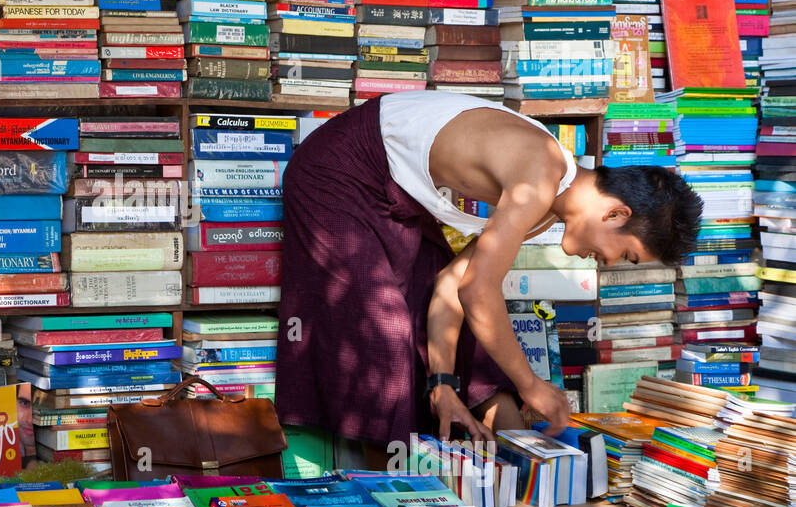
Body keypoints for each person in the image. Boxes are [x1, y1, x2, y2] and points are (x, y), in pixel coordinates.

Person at [273, 91, 702, 467]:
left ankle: (522, 464)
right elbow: (477, 290)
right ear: (615, 214)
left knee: (475, 331)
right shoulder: (539, 174)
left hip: (395, 196)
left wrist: (441, 383)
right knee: (384, 331)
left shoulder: (541, 208)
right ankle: (392, 493)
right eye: (625, 254)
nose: (607, 263)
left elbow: (450, 286)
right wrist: (531, 384)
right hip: (338, 170)